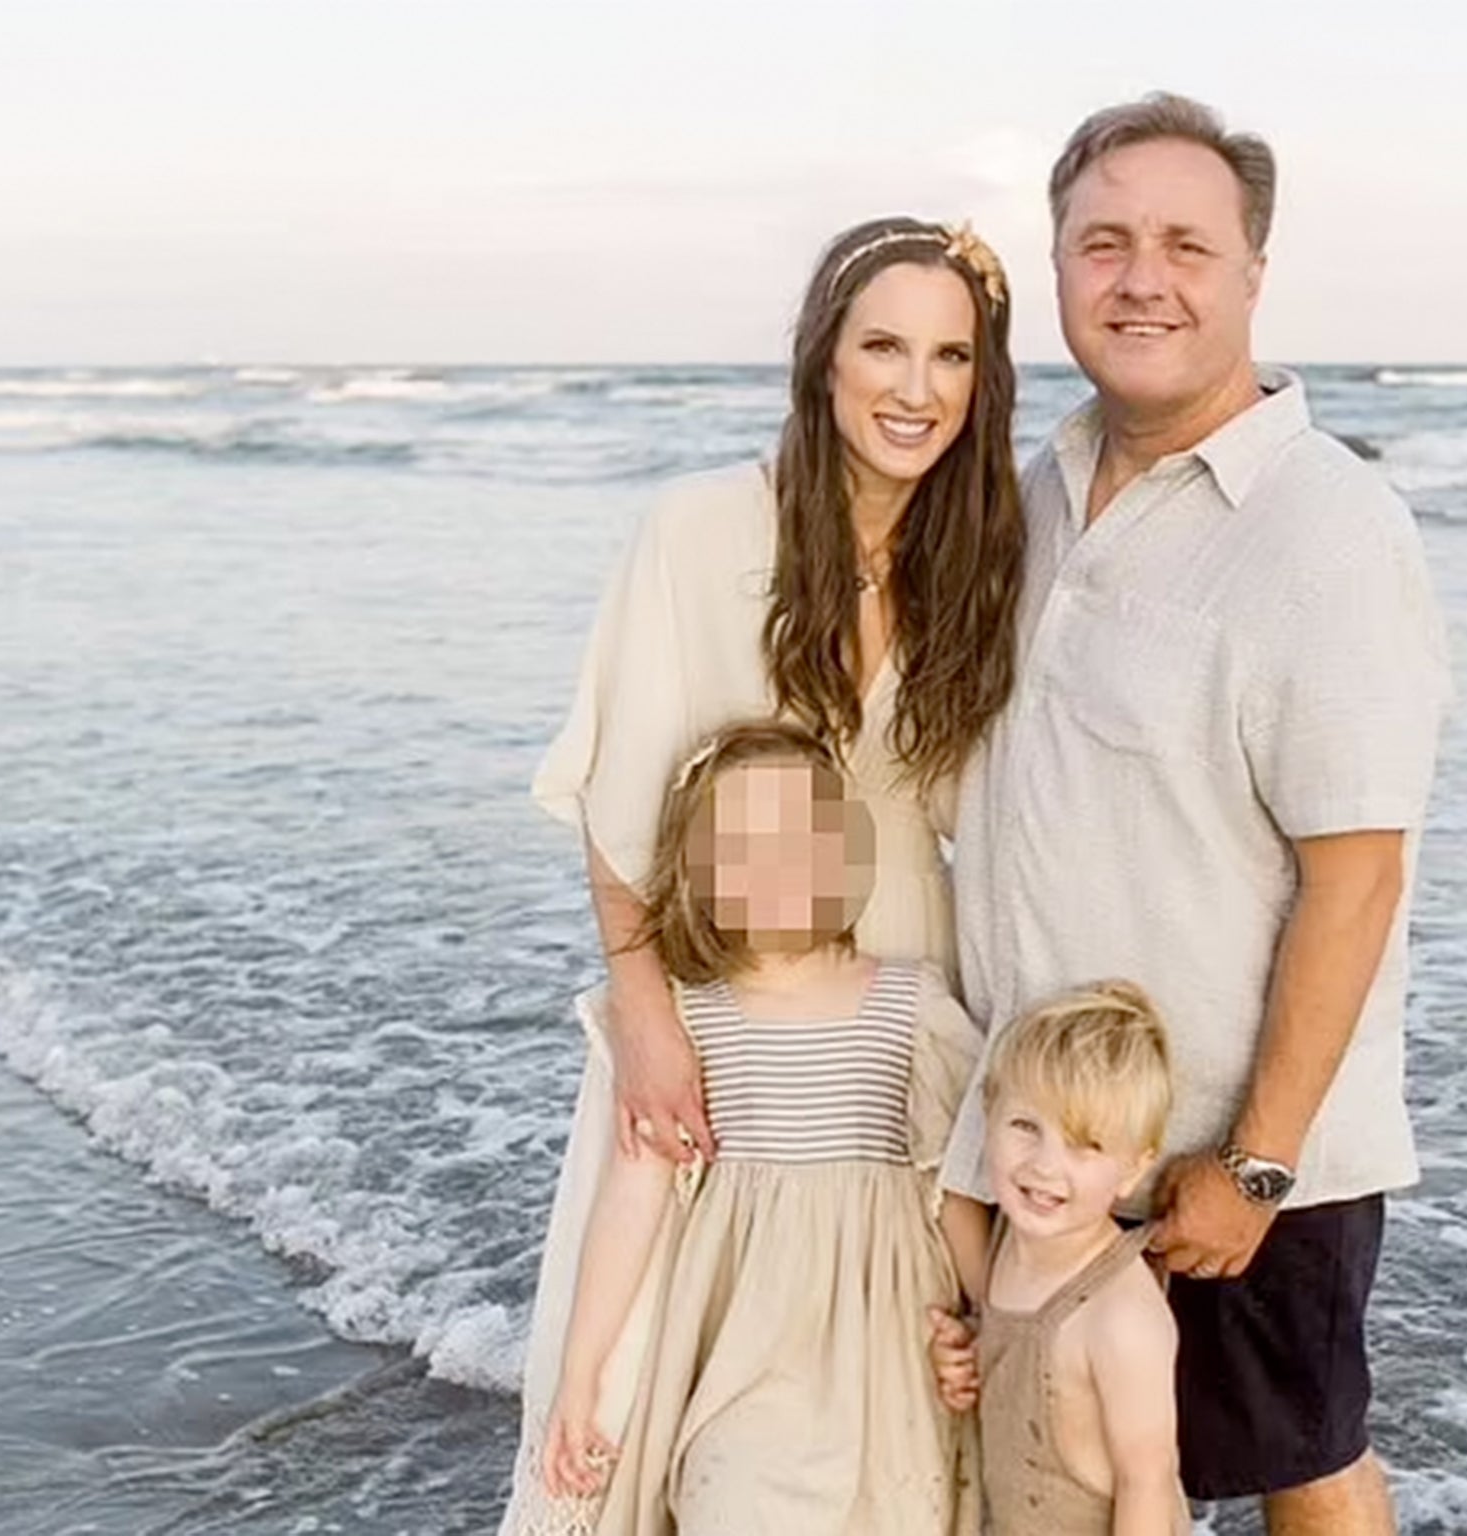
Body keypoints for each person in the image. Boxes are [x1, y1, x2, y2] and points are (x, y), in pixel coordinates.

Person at [935, 95, 1452, 1536]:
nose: (1140, 280)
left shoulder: (1329, 529)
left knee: (1296, 1461)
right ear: (1057, 268)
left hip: (1221, 1160)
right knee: (1073, 1475)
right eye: (1103, 243)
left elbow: (1358, 877)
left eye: (1184, 245)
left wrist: (1257, 1166)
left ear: (1250, 275)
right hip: (1045, 1142)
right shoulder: (1032, 495)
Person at [504, 215, 1021, 1527]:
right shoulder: (695, 534)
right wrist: (642, 1012)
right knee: (646, 1375)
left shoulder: (977, 559)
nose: (917, 389)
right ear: (822, 359)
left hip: (902, 996)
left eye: (953, 357)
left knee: (908, 1398)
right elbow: (623, 799)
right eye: (885, 347)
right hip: (715, 994)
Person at [507, 719, 985, 1535]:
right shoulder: (689, 1026)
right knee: (729, 1499)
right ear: (701, 876)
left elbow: (952, 1192)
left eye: (799, 839)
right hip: (741, 1344)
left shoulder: (913, 1006)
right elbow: (632, 1203)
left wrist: (992, 1324)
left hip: (892, 1339)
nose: (774, 869)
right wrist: (578, 1378)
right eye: (741, 848)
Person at [929, 983, 1184, 1536]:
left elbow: (1148, 1484)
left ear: (1134, 1170)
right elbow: (1025, 1358)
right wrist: (969, 1351)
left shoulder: (1122, 1318)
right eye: (1025, 1127)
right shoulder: (1008, 1250)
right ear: (988, 1114)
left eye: (1085, 1145)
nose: (1045, 1165)